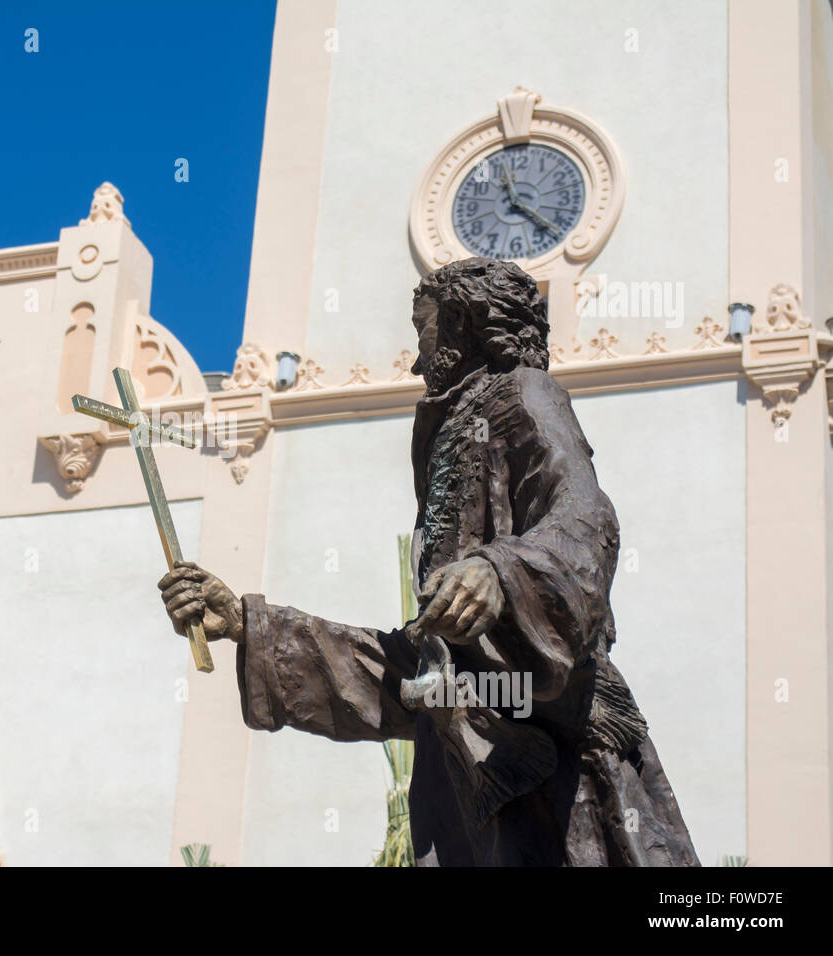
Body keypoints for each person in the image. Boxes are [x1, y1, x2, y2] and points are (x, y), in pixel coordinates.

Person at [158, 257, 699, 866]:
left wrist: (500, 571)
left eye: (424, 332)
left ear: (466, 322)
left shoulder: (523, 392)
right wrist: (249, 624)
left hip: (548, 745)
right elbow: (415, 670)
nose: (417, 360)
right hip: (462, 773)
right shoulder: (453, 427)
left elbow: (585, 516)